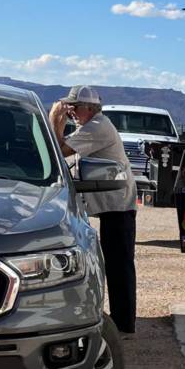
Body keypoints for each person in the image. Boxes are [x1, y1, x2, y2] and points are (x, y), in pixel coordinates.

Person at [49, 85, 137, 335]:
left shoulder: (97, 127)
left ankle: (124, 325)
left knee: (119, 265)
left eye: (74, 107)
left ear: (90, 108)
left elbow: (58, 151)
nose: (71, 112)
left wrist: (55, 119)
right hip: (111, 204)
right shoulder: (90, 126)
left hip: (117, 204)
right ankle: (122, 321)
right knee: (116, 263)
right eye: (69, 107)